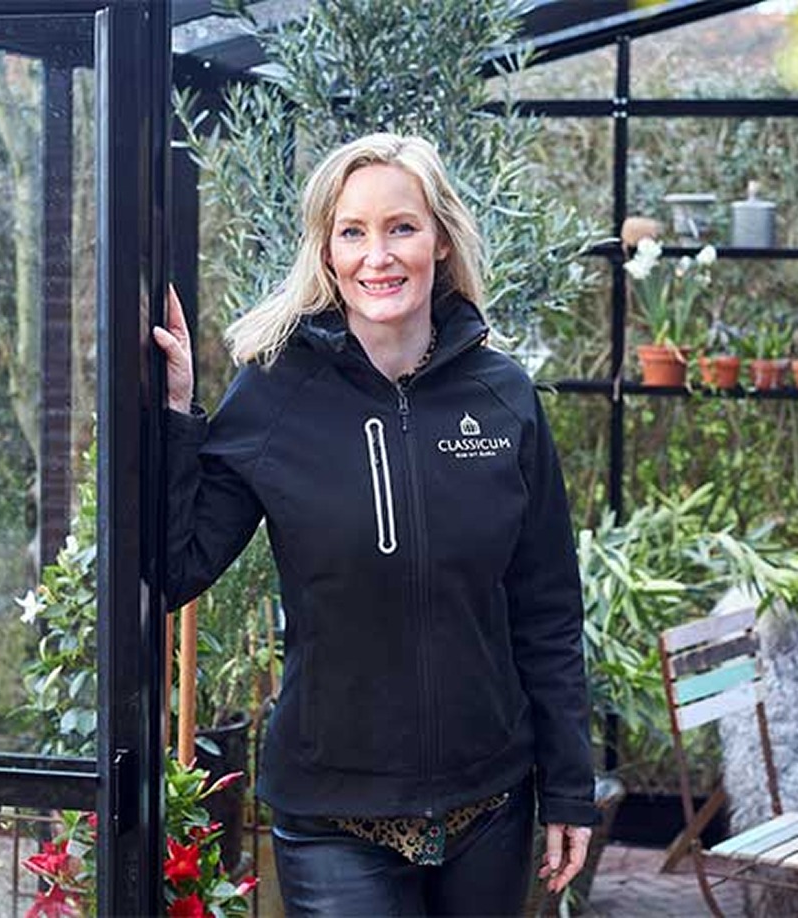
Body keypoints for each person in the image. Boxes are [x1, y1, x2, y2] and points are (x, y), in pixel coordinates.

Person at [153, 132, 596, 916]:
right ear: (327, 253)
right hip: (334, 818)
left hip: (490, 808)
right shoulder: (274, 395)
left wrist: (568, 787)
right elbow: (173, 568)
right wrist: (177, 416)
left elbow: (548, 610)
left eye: (401, 227)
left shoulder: (503, 397)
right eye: (352, 232)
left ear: (441, 240)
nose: (378, 256)